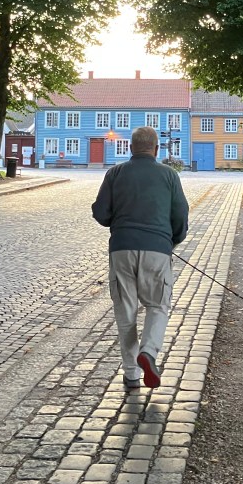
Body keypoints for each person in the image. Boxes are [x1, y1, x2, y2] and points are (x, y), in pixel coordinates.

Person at [92, 126, 189, 390]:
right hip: (157, 249)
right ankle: (148, 351)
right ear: (156, 149)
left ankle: (132, 374)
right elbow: (180, 213)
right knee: (157, 305)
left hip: (121, 248)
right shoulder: (169, 175)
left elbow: (101, 213)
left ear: (130, 147)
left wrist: (119, 222)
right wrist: (172, 239)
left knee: (126, 312)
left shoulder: (115, 173)